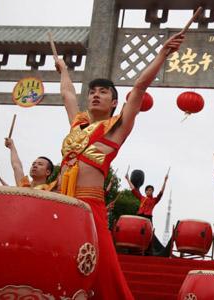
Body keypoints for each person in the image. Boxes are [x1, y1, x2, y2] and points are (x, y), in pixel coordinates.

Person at [55, 32, 184, 300]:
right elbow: (68, 94)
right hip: (59, 201)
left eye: (103, 92)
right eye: (92, 92)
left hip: (90, 206)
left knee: (104, 270)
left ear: (114, 102)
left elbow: (138, 87)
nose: (95, 95)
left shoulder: (116, 128)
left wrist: (162, 54)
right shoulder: (77, 125)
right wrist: (64, 70)